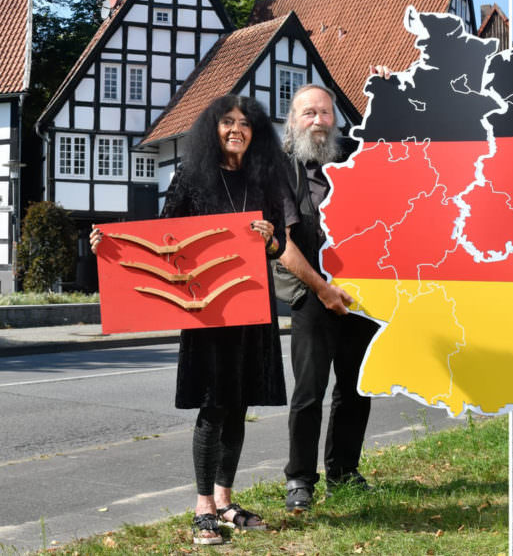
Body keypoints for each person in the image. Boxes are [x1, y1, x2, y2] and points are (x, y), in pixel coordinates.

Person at [91, 95, 287, 545]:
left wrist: (270, 240)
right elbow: (162, 238)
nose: (236, 129)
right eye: (227, 122)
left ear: (255, 132)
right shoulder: (192, 176)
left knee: (239, 403)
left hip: (250, 305)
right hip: (207, 310)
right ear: (212, 129)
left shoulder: (264, 178)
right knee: (213, 405)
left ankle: (225, 501)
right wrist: (110, 246)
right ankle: (203, 508)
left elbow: (277, 247)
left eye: (245, 123)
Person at [276, 84, 380, 513]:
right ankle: (300, 479)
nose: (318, 120)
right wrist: (323, 289)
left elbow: (397, 144)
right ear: (293, 121)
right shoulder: (281, 170)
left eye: (325, 112)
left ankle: (344, 472)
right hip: (312, 295)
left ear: (335, 119)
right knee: (308, 393)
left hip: (360, 295)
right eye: (308, 113)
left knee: (356, 389)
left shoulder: (354, 157)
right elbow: (282, 244)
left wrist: (387, 91)